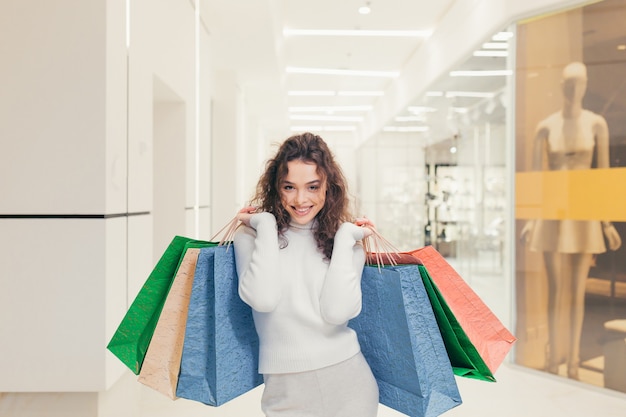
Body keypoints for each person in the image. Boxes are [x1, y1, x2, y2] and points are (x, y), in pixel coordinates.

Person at [233, 132, 379, 416]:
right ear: (276, 187)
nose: (301, 199)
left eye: (313, 187)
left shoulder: (346, 242)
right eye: (289, 187)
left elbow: (337, 313)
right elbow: (262, 299)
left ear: (328, 187)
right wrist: (265, 224)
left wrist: (347, 237)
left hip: (349, 383)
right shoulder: (251, 237)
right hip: (285, 392)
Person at [521, 61, 621, 380]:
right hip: (553, 212)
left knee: (576, 292)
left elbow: (602, 177)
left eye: (578, 83)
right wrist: (531, 218)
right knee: (555, 290)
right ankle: (553, 356)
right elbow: (537, 179)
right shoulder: (546, 126)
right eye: (567, 83)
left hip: (583, 212)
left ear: (586, 85)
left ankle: (575, 359)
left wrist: (606, 222)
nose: (573, 89)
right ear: (561, 86)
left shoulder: (596, 124)